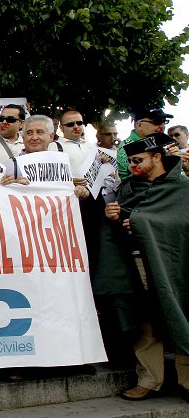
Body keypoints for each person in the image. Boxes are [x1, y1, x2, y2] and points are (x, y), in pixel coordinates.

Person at [102, 132, 189, 401]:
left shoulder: (183, 188)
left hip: (175, 264)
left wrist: (142, 222)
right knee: (145, 318)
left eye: (138, 160)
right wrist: (114, 217)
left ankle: (186, 381)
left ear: (157, 157)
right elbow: (124, 221)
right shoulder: (129, 187)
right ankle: (150, 379)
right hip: (136, 261)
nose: (132, 166)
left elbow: (181, 224)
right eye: (129, 161)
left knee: (179, 313)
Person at [118, 108, 172, 181]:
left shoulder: (157, 142)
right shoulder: (127, 148)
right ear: (139, 125)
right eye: (157, 122)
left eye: (164, 121)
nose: (162, 126)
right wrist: (169, 161)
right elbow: (142, 178)